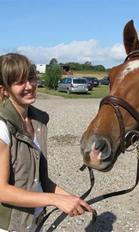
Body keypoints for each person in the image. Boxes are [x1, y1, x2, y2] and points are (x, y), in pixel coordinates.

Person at [0, 53, 93, 232]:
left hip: (34, 222)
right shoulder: (2, 127)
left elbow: (39, 180)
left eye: (31, 78)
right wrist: (54, 200)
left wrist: (70, 198)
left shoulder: (37, 122)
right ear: (4, 89)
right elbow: (2, 191)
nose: (29, 86)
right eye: (20, 82)